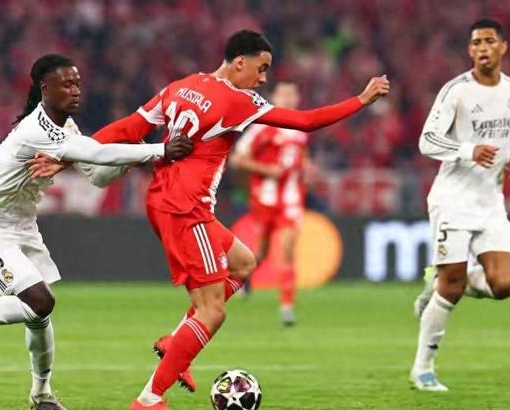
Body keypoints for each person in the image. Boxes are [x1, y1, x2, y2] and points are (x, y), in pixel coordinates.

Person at [28, 30, 389, 410]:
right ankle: (149, 399)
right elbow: (306, 121)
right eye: (261, 68)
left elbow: (128, 128)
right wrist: (361, 100)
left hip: (163, 201)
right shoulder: (239, 101)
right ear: (240, 62)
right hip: (187, 210)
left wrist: (70, 156)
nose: (263, 79)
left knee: (243, 262)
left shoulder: (181, 87)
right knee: (212, 311)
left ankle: (178, 341)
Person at [0, 54, 193, 410]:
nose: (75, 91)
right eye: (67, 84)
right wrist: (160, 150)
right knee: (40, 302)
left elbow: (97, 174)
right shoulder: (35, 129)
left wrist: (134, 156)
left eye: (77, 83)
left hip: (22, 226)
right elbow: (97, 153)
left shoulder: (66, 129)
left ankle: (41, 394)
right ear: (45, 89)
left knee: (39, 313)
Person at [410, 19, 510, 392]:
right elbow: (427, 140)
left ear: (503, 47)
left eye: (489, 41)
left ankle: (444, 280)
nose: (482, 48)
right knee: (452, 288)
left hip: (491, 202)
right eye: (476, 43)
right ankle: (423, 370)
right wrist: (468, 150)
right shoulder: (457, 91)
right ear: (470, 50)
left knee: (505, 284)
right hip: (453, 200)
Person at [229, 80, 311, 326]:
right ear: (274, 97)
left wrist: (306, 168)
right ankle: (244, 279)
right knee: (261, 252)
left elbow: (297, 159)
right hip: (264, 200)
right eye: (283, 94)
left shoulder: (302, 128)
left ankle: (287, 306)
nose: (288, 98)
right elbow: (237, 160)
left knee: (288, 251)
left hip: (291, 200)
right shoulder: (262, 127)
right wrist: (267, 170)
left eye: (292, 93)